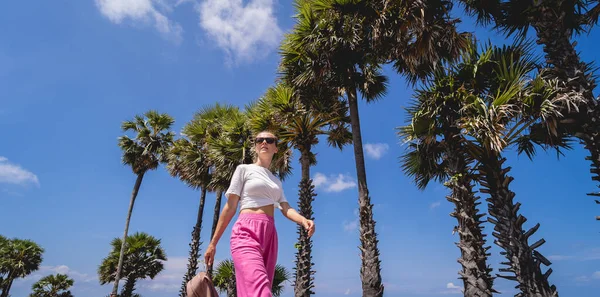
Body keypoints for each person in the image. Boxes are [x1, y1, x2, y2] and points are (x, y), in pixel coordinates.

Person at [204, 131, 315, 297]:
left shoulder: (276, 181)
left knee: (258, 290)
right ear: (255, 146)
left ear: (276, 148)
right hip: (246, 231)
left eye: (269, 140)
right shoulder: (244, 169)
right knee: (260, 290)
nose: (264, 142)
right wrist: (213, 243)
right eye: (259, 140)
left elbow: (285, 207)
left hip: (269, 235)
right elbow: (230, 207)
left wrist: (303, 220)